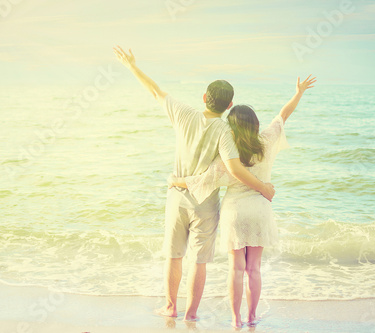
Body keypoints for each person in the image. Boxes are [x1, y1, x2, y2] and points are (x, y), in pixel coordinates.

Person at [112, 45, 276, 321]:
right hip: (205, 202)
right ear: (228, 106)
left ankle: (170, 307)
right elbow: (234, 168)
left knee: (173, 256)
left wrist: (132, 66)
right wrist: (263, 187)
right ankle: (191, 314)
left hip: (177, 196)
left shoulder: (184, 114)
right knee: (199, 261)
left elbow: (155, 91)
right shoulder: (225, 129)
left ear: (204, 98)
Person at [169, 75, 316, 327]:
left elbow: (202, 180)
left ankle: (236, 319)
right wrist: (299, 92)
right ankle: (252, 317)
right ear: (256, 124)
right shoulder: (267, 141)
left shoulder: (229, 156)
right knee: (254, 270)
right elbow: (283, 115)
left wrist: (175, 181)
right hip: (259, 209)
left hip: (234, 212)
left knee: (236, 269)